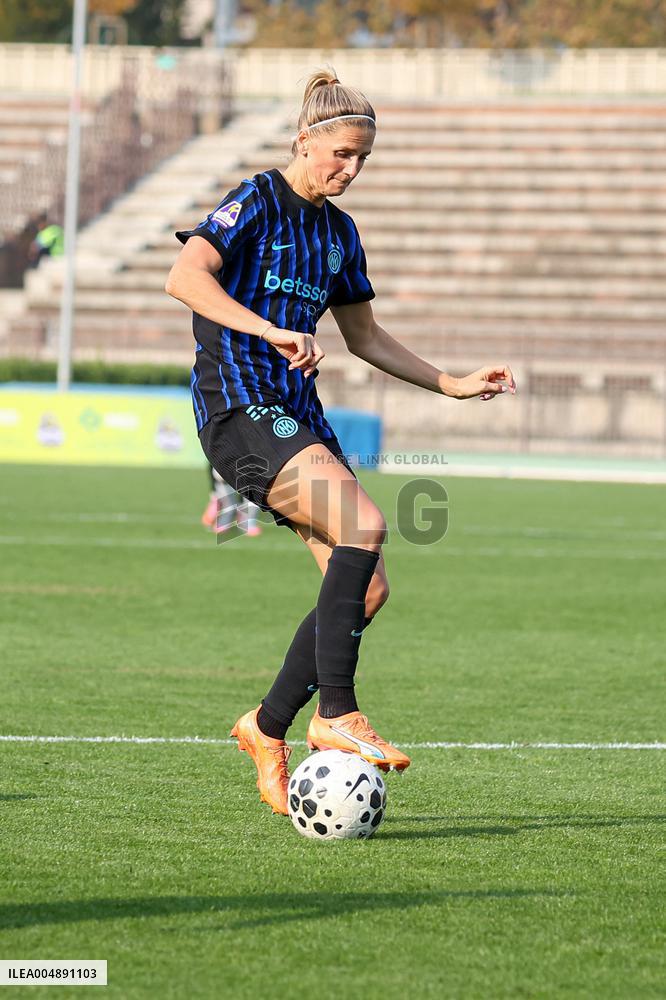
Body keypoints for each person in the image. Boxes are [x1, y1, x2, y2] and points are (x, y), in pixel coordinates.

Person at [166, 68, 516, 816]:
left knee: (370, 586)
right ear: (305, 140)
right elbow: (184, 276)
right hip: (239, 410)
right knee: (365, 525)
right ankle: (336, 713)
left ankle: (264, 727)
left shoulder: (338, 233)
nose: (350, 170)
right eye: (342, 154)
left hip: (297, 415)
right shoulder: (257, 199)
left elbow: (363, 336)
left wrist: (450, 383)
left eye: (362, 159)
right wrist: (266, 328)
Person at [201, 464, 263, 536]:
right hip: (225, 474)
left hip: (245, 472)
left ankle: (247, 522)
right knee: (230, 504)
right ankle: (223, 522)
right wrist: (214, 491)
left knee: (252, 500)